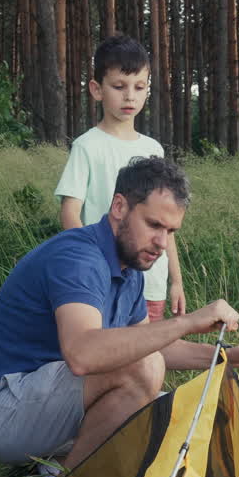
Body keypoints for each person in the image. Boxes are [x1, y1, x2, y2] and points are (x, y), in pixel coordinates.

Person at [0, 157, 239, 475]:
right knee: (144, 372)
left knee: (186, 413)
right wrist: (186, 322)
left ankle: (51, 469)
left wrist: (226, 356)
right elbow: (83, 355)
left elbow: (150, 346)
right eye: (154, 225)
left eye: (171, 231)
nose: (162, 243)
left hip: (51, 404)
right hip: (0, 411)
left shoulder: (130, 270)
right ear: (120, 207)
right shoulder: (79, 258)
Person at [55, 34, 184, 324]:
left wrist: (176, 280)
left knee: (151, 356)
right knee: (109, 357)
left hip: (151, 281)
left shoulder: (153, 149)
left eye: (139, 87)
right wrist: (94, 262)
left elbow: (166, 221)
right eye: (119, 86)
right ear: (97, 89)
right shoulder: (87, 146)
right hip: (104, 279)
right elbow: (69, 213)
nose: (129, 96)